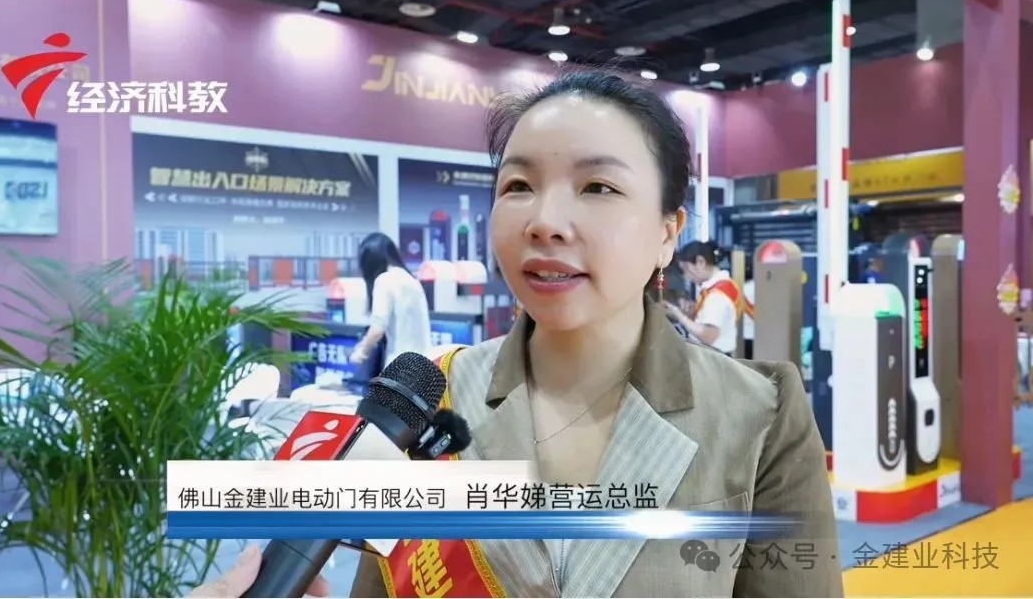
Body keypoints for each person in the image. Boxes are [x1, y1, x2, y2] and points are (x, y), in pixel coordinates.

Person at [194, 69, 842, 598]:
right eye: (520, 185)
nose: (545, 220)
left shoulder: (760, 412)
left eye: (597, 186)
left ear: (668, 231)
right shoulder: (432, 398)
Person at [348, 232, 432, 367]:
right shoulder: (412, 280)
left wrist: (361, 352)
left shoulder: (385, 280)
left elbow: (378, 327)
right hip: (424, 366)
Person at [665, 240, 744, 356]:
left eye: (686, 270)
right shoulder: (724, 285)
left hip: (714, 357)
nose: (686, 277)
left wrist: (678, 315)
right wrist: (691, 314)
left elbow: (708, 336)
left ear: (700, 262)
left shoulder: (716, 296)